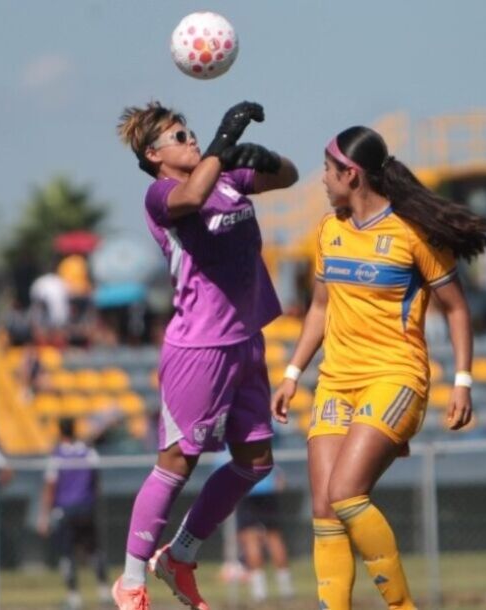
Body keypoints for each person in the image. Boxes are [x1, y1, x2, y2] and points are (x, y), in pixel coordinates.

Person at [271, 125, 486, 609]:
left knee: (347, 493)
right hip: (335, 382)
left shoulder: (412, 234)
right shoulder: (328, 230)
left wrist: (463, 381)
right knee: (325, 509)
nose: (322, 179)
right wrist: (291, 374)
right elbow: (320, 309)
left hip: (395, 377)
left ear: (352, 175)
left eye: (328, 170)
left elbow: (457, 309)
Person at [112, 99, 298, 610]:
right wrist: (221, 140)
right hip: (199, 347)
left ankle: (180, 556)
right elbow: (192, 196)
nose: (190, 139)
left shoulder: (227, 177)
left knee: (256, 463)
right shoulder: (161, 194)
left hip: (246, 340)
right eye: (179, 136)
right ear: (154, 155)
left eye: (189, 131)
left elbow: (288, 177)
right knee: (177, 463)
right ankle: (130, 581)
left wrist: (267, 157)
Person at [36, 417, 108, 609]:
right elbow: (96, 482)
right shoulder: (89, 452)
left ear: (60, 431)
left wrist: (44, 516)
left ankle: (74, 596)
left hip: (65, 510)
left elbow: (50, 488)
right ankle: (103, 591)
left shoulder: (57, 456)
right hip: (86, 508)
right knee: (94, 550)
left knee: (67, 554)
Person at [235, 463, 293, 602]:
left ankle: (259, 591)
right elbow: (280, 477)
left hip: (247, 492)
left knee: (251, 539)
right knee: (274, 538)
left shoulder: (227, 452)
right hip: (268, 493)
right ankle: (286, 588)